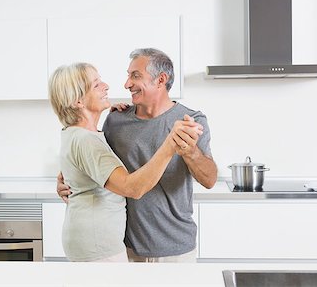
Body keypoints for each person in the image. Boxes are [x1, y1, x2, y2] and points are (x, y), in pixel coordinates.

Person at [58, 48, 217, 262]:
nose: (126, 84)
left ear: (160, 80)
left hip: (175, 249)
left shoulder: (191, 121)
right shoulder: (116, 120)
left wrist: (191, 152)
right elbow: (95, 163)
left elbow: (209, 180)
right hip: (127, 249)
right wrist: (69, 181)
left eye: (135, 76)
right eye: (128, 75)